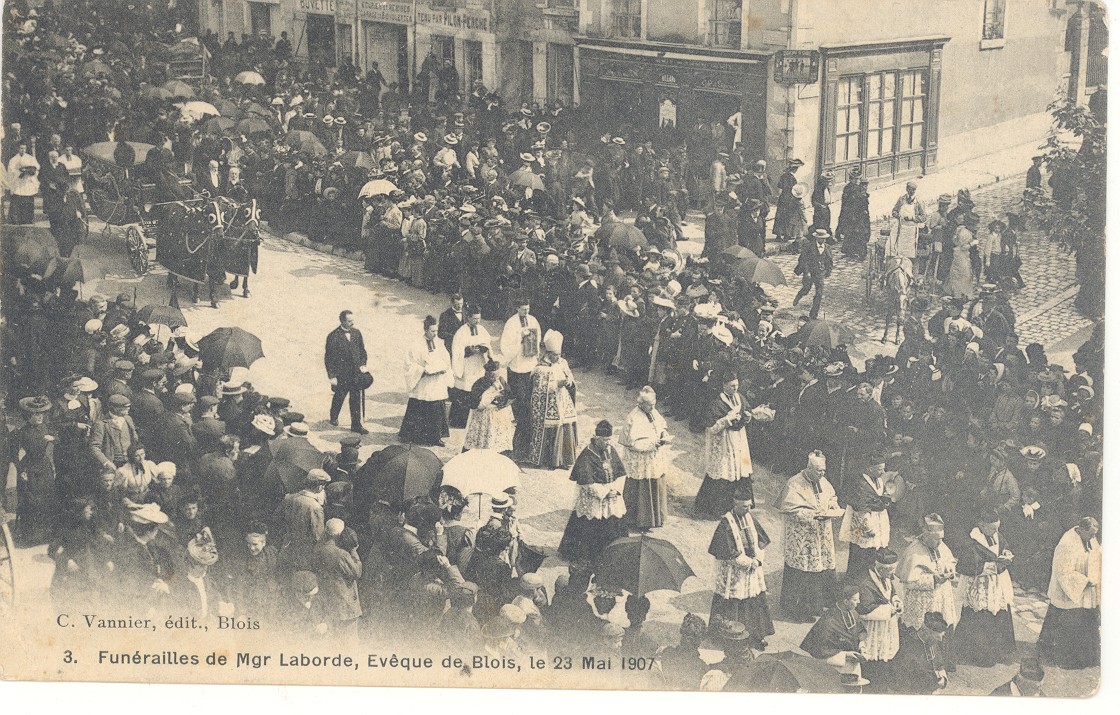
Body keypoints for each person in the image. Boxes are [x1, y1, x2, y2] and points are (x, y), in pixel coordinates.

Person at [778, 450, 845, 622]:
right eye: (818, 471)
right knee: (801, 572)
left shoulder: (823, 481)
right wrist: (811, 515)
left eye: (824, 471)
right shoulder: (794, 483)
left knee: (820, 569)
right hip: (802, 536)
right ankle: (796, 610)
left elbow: (831, 497)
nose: (822, 474)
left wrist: (832, 506)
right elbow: (789, 509)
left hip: (821, 534)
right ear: (809, 468)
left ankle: (815, 606)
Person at [707, 481, 773, 649]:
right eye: (744, 507)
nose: (747, 510)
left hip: (752, 570)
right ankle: (729, 639)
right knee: (733, 604)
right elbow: (728, 552)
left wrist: (758, 559)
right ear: (735, 504)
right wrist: (748, 562)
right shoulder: (726, 523)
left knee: (754, 602)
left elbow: (760, 543)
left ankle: (755, 636)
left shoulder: (750, 518)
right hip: (735, 571)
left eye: (749, 506)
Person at [558, 420, 628, 564]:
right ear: (597, 438)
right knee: (588, 529)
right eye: (605, 440)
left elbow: (620, 474)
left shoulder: (611, 450)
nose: (608, 442)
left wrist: (615, 490)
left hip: (611, 497)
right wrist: (604, 493)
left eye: (609, 439)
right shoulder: (587, 455)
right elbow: (586, 483)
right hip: (595, 498)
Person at [1036, 516, 1100, 669]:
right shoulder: (1067, 544)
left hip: (1085, 590)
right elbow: (1063, 572)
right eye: (1091, 534)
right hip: (1069, 591)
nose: (1093, 538)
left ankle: (1088, 657)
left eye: (1095, 534)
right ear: (1081, 529)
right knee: (1065, 624)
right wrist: (1085, 581)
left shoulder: (1089, 538)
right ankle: (1063, 657)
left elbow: (1096, 554)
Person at [954, 510, 1016, 667]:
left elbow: (1004, 547)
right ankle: (979, 655)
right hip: (980, 586)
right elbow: (965, 565)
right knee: (980, 619)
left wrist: (1006, 554)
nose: (996, 532)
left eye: (997, 528)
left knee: (1000, 614)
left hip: (997, 583)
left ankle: (1000, 652)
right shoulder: (972, 541)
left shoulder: (996, 535)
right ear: (981, 525)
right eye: (992, 528)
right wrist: (990, 566)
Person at [898, 514, 959, 670]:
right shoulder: (914, 551)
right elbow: (909, 581)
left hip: (941, 596)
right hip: (922, 600)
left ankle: (942, 664)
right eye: (936, 539)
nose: (940, 542)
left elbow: (950, 560)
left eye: (941, 538)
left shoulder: (941, 545)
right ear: (926, 536)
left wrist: (949, 570)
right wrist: (933, 580)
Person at [695, 370, 754, 519]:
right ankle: (716, 508)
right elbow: (711, 428)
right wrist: (727, 420)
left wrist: (747, 417)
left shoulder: (740, 397)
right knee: (723, 472)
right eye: (732, 386)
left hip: (739, 440)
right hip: (724, 443)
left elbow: (747, 411)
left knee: (740, 470)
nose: (735, 388)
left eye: (737, 385)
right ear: (724, 386)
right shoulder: (717, 403)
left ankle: (739, 505)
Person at [516, 330, 578, 469]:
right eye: (556, 355)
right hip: (548, 405)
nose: (559, 357)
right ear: (549, 354)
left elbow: (570, 377)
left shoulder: (562, 362)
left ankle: (564, 460)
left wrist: (569, 381)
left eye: (560, 354)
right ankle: (550, 460)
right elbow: (539, 389)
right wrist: (557, 384)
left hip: (563, 401)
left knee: (565, 426)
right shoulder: (541, 369)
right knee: (551, 428)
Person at [619, 386, 671, 529]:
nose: (653, 408)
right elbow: (632, 443)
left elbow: (662, 426)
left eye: (654, 405)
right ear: (641, 404)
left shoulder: (653, 411)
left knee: (655, 483)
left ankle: (656, 519)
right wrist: (652, 444)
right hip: (640, 458)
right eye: (650, 405)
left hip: (653, 457)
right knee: (641, 487)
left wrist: (664, 435)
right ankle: (639, 520)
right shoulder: (633, 417)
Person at [799, 581, 867, 683]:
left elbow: (860, 632)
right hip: (835, 666)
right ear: (845, 601)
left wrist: (862, 646)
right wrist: (845, 654)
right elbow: (819, 649)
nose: (859, 602)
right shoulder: (829, 621)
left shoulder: (853, 612)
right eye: (855, 600)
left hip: (853, 663)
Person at [400, 315, 452, 447]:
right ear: (425, 330)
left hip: (436, 382)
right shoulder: (416, 345)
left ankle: (436, 437)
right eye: (432, 331)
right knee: (419, 408)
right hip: (423, 382)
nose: (435, 334)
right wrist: (423, 370)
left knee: (437, 409)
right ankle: (413, 436)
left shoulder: (439, 343)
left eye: (436, 331)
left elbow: (446, 359)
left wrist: (443, 368)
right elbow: (409, 365)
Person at [839, 452, 892, 578]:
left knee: (874, 551)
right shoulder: (861, 483)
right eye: (880, 469)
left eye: (883, 468)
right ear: (870, 469)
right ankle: (857, 579)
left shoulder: (878, 480)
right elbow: (860, 506)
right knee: (860, 550)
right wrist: (867, 526)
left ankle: (871, 577)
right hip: (862, 521)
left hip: (877, 518)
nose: (883, 472)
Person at [855, 547, 903, 688]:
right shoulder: (865, 583)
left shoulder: (885, 576)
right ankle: (872, 683)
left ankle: (884, 679)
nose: (893, 573)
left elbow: (891, 592)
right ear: (882, 569)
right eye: (891, 570)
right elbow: (864, 610)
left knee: (886, 651)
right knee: (873, 653)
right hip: (873, 626)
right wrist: (890, 610)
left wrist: (896, 600)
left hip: (886, 623)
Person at [13, 396, 57, 545]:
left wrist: (53, 438)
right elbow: (16, 452)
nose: (40, 417)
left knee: (47, 497)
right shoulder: (23, 432)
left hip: (44, 466)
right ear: (28, 416)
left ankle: (45, 533)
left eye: (41, 414)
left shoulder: (45, 427)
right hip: (30, 467)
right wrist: (21, 470)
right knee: (31, 499)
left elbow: (58, 438)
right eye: (36, 414)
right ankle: (30, 536)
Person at [500, 298, 541, 449]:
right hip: (517, 364)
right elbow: (506, 345)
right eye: (523, 309)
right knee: (519, 396)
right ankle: (518, 418)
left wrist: (533, 346)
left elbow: (538, 339)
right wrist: (520, 339)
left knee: (528, 396)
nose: (526, 312)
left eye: (528, 309)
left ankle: (525, 419)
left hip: (529, 363)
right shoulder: (511, 323)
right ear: (517, 308)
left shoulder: (533, 320)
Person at [324, 310, 370, 434]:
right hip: (342, 374)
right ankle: (334, 416)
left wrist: (363, 365)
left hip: (356, 373)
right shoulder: (333, 336)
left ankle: (356, 425)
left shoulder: (357, 333)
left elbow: (362, 351)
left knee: (355, 398)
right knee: (340, 396)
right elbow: (329, 358)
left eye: (353, 320)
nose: (352, 323)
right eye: (349, 321)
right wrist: (332, 376)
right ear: (342, 321)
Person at [277, 469, 331, 576]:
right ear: (319, 486)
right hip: (305, 552)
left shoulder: (289, 498)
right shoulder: (315, 507)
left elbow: (277, 517)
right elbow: (318, 536)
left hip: (287, 546)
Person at [448, 304, 491, 429]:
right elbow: (456, 350)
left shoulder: (482, 329)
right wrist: (468, 350)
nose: (477, 321)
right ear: (468, 318)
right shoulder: (461, 332)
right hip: (466, 365)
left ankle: (475, 419)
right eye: (475, 319)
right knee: (464, 391)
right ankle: (459, 421)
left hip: (478, 365)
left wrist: (483, 348)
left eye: (479, 318)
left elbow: (487, 343)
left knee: (477, 389)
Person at [890, 611, 949, 695]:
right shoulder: (910, 647)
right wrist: (934, 683)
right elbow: (909, 677)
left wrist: (943, 678)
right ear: (926, 632)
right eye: (937, 637)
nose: (940, 640)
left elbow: (939, 665)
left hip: (930, 688)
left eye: (942, 636)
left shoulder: (932, 643)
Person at [462, 359, 515, 452]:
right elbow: (475, 403)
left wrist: (502, 402)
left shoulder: (501, 380)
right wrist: (488, 395)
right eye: (492, 376)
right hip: (484, 415)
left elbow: (509, 395)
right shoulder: (480, 383)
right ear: (487, 374)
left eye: (496, 376)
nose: (495, 379)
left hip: (498, 414)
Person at [792, 228, 833, 319]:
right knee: (806, 289)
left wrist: (828, 271)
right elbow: (803, 260)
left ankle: (813, 314)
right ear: (816, 238)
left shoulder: (827, 248)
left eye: (823, 238)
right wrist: (807, 272)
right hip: (810, 272)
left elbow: (830, 261)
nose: (822, 240)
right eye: (820, 238)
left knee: (819, 293)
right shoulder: (809, 247)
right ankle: (799, 295)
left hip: (820, 274)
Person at [887, 181, 926, 259]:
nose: (912, 192)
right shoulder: (901, 199)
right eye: (910, 190)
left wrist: (912, 218)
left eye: (913, 190)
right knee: (894, 246)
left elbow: (923, 217)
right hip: (900, 227)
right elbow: (894, 211)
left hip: (911, 230)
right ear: (907, 189)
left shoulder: (918, 202)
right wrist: (898, 216)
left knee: (909, 251)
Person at [6, 143, 40, 224]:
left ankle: (28, 219)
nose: (23, 150)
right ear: (18, 149)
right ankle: (15, 219)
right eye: (21, 148)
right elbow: (11, 171)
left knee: (28, 200)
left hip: (27, 182)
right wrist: (20, 172)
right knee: (17, 200)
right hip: (18, 182)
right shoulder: (13, 159)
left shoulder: (30, 158)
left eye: (24, 148)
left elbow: (37, 168)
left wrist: (30, 171)